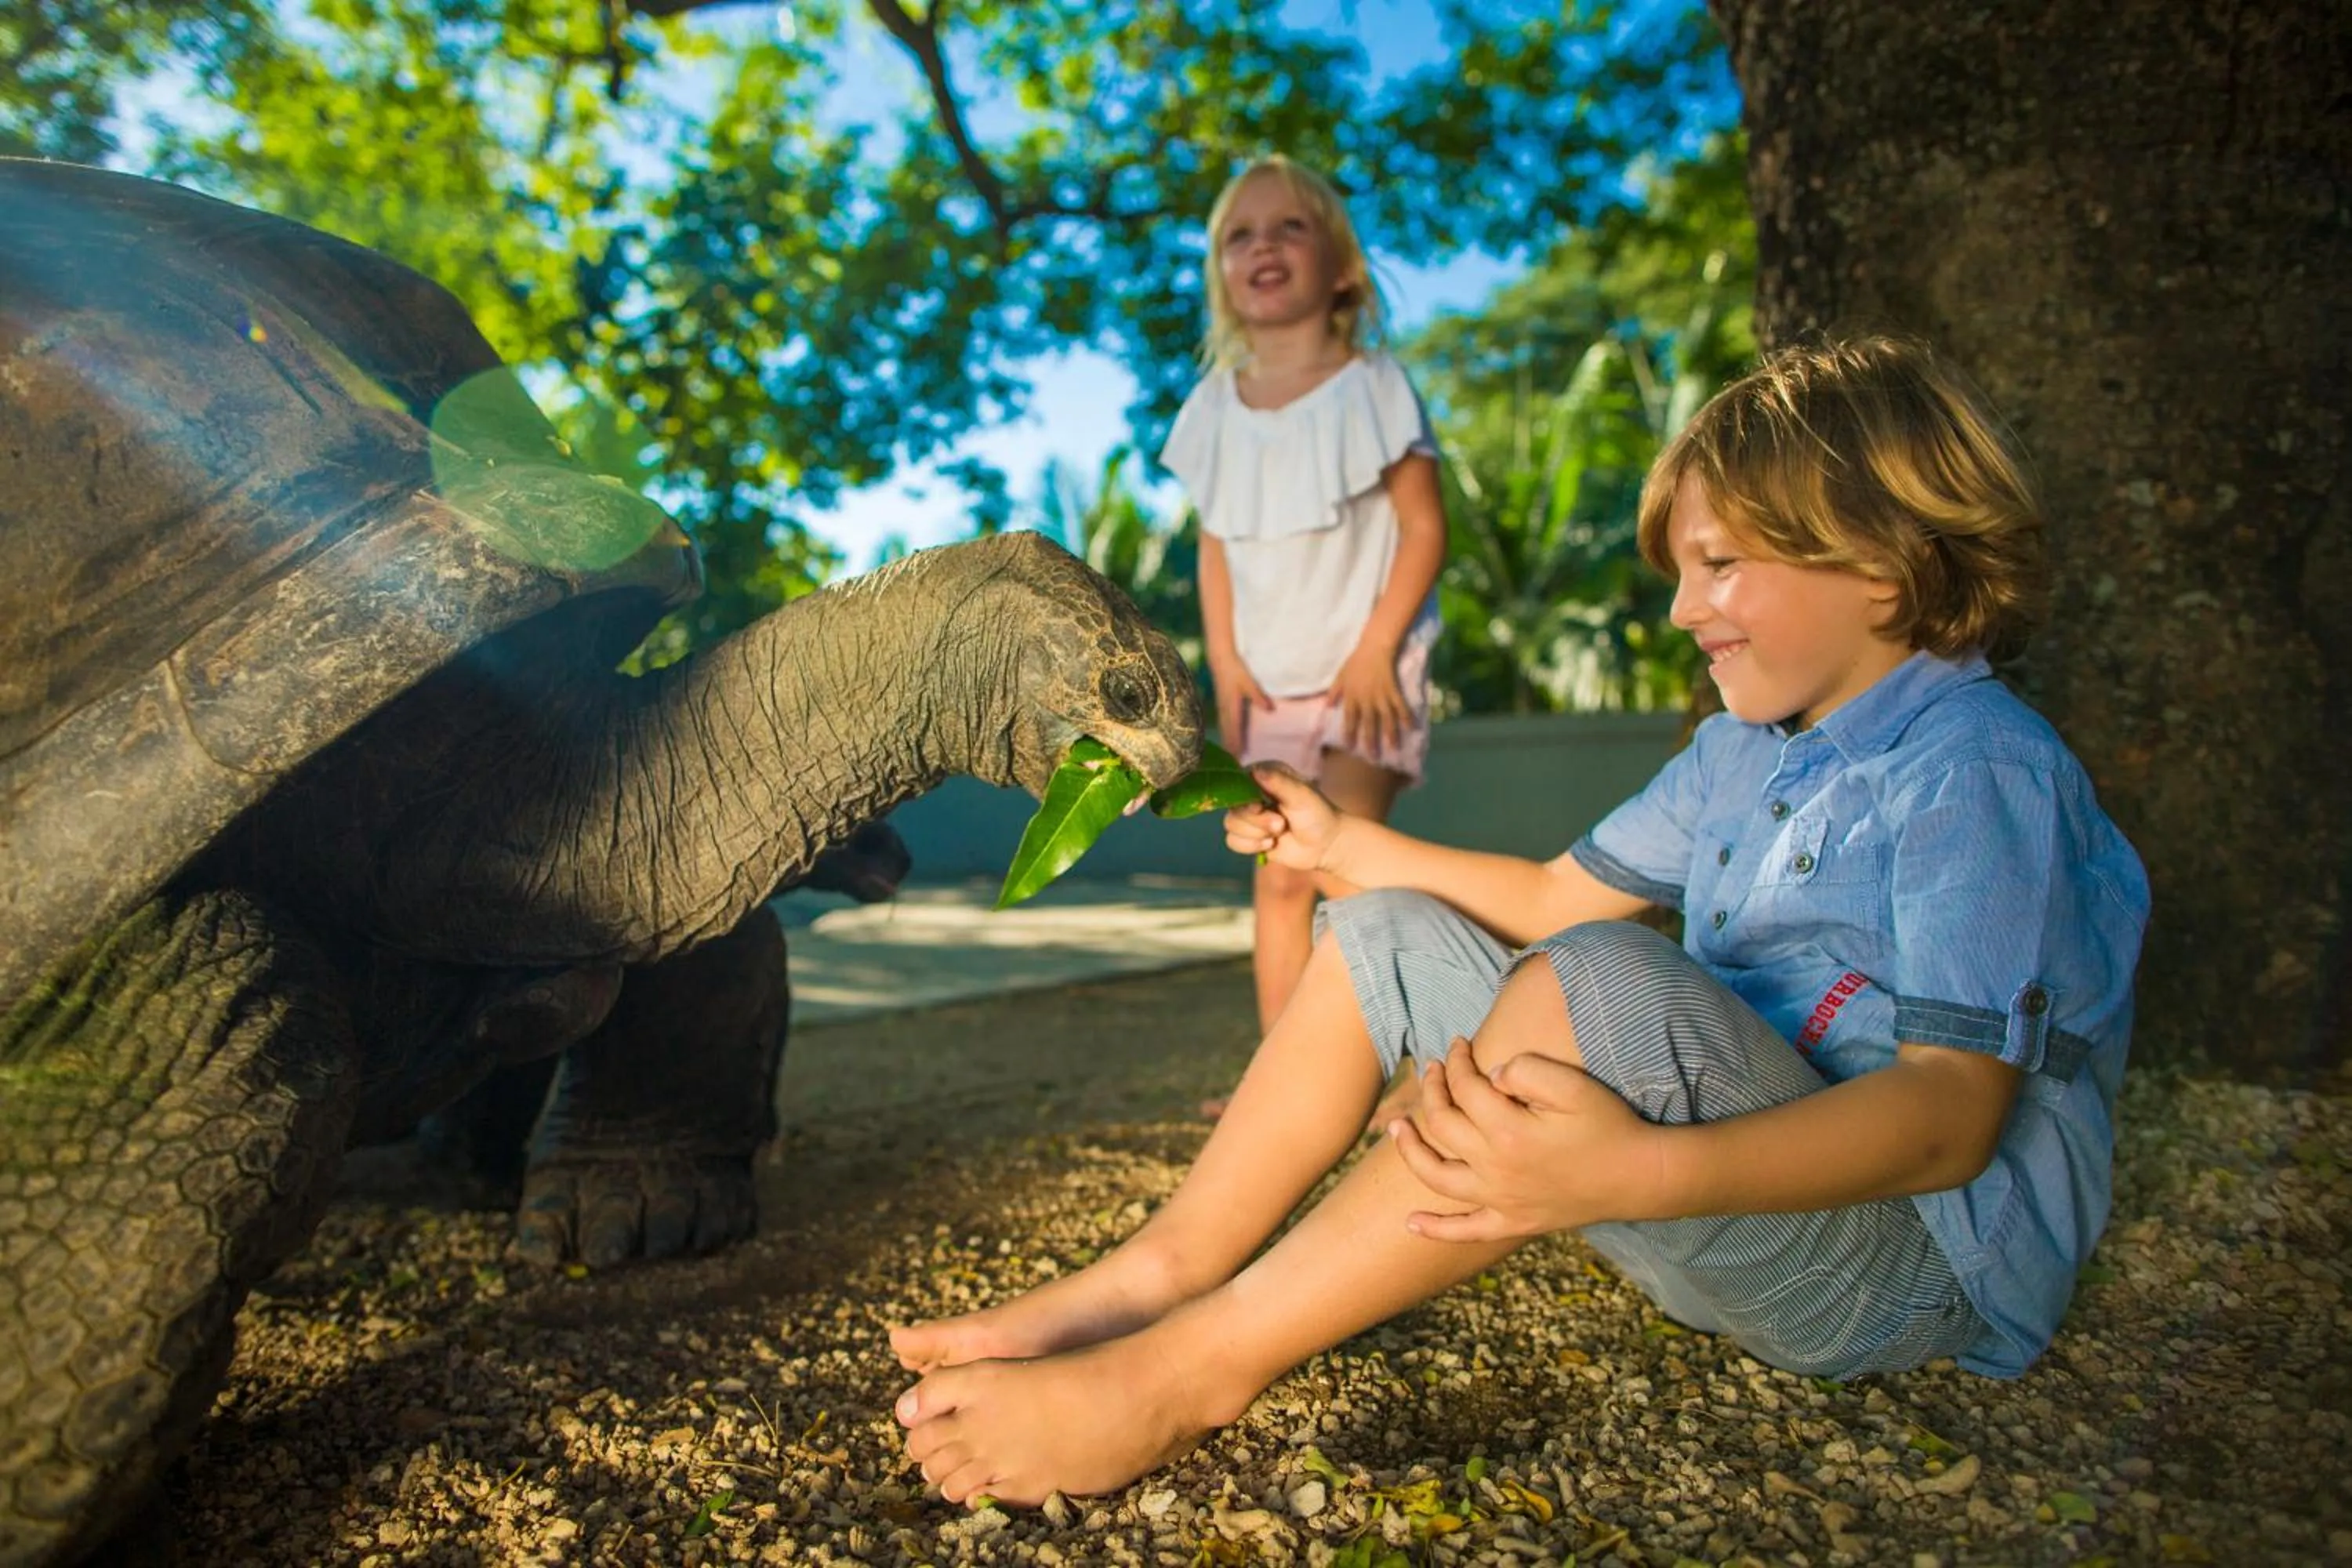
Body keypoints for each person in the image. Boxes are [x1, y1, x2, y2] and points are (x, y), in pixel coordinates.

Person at [887, 336, 2150, 1508]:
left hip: (1898, 1275)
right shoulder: (1738, 753)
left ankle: (1187, 1374)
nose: (1681, 609)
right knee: (1378, 927)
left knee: (1600, 976)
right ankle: (1155, 1278)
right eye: (1683, 570)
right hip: (1675, 1202)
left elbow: (1947, 1119)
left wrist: (1639, 1171)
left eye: (1723, 565)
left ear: (1881, 562)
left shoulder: (1975, 769)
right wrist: (1339, 844)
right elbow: (1552, 896)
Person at [1157, 154, 1449, 1052]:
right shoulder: (1212, 406)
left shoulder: (1375, 385)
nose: (1263, 246)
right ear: (1222, 278)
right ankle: (1277, 1083)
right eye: (1239, 236)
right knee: (1278, 878)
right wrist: (1227, 663)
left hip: (1365, 674)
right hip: (1267, 683)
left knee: (1347, 863)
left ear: (1343, 267)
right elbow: (1214, 548)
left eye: (1290, 226)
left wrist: (1375, 649)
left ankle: (1423, 1062)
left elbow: (1425, 529)